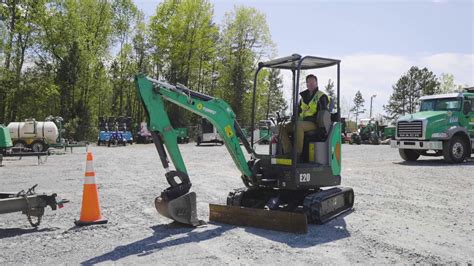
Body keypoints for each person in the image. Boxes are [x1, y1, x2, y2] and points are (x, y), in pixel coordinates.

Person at [280, 74, 330, 158]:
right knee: (281, 127)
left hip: (315, 123)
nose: (311, 84)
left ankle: (297, 154)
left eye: (313, 82)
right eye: (309, 83)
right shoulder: (303, 97)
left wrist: (313, 119)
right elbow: (298, 111)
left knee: (298, 126)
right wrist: (294, 117)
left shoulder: (321, 96)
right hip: (302, 122)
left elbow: (324, 114)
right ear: (306, 84)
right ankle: (288, 152)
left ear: (316, 83)